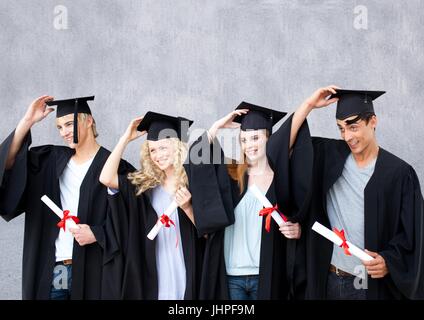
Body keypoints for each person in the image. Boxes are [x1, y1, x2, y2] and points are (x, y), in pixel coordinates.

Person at [289, 86, 424, 299]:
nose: (347, 136)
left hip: (366, 284)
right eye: (341, 128)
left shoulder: (399, 173)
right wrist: (309, 105)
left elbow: (412, 236)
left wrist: (389, 261)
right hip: (328, 279)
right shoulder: (328, 156)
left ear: (373, 122)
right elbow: (285, 147)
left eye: (353, 127)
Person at [0, 95, 131, 299]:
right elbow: (8, 163)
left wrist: (98, 233)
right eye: (59, 127)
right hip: (57, 269)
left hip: (95, 269)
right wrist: (28, 121)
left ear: (88, 121)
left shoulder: (115, 167)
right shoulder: (49, 161)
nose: (64, 133)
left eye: (69, 124)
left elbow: (132, 221)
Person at [100, 111, 214, 299]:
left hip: (186, 263)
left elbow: (209, 233)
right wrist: (125, 138)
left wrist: (187, 208)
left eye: (163, 148)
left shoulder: (193, 181)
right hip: (154, 264)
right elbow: (106, 178)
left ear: (177, 147)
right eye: (152, 150)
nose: (157, 155)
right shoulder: (145, 185)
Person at [198, 102, 305, 300]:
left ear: (269, 138)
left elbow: (300, 216)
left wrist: (297, 230)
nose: (250, 145)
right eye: (244, 140)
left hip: (268, 275)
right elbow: (198, 162)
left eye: (255, 138)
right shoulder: (232, 175)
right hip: (232, 277)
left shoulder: (283, 179)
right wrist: (216, 127)